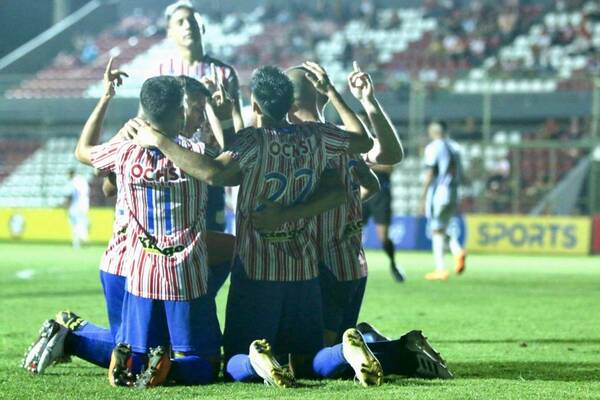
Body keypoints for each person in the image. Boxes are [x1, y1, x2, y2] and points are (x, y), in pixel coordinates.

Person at [131, 66, 382, 388]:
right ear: (288, 103)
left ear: (256, 106)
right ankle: (345, 352)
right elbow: (361, 141)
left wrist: (160, 141)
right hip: (303, 271)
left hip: (257, 270)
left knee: (234, 358)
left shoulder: (253, 141)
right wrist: (333, 92)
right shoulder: (317, 135)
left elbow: (214, 174)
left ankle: (254, 358)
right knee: (306, 360)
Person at [161, 0, 244, 234]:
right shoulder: (161, 72)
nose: (187, 25)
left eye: (192, 20)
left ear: (203, 27)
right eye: (180, 22)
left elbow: (236, 122)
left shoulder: (224, 72)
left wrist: (233, 155)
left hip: (210, 167)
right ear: (170, 33)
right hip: (171, 168)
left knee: (213, 239)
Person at [420, 121, 466, 281]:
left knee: (435, 229)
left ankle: (440, 269)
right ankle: (457, 250)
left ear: (432, 131)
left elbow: (430, 173)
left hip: (439, 192)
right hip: (454, 191)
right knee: (441, 228)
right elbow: (462, 172)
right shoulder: (456, 147)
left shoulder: (433, 147)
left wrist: (423, 195)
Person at [66, 169, 90, 249]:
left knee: (76, 225)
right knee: (81, 224)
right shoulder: (81, 180)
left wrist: (67, 206)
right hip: (82, 206)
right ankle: (79, 241)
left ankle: (77, 242)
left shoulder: (73, 182)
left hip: (75, 207)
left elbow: (70, 194)